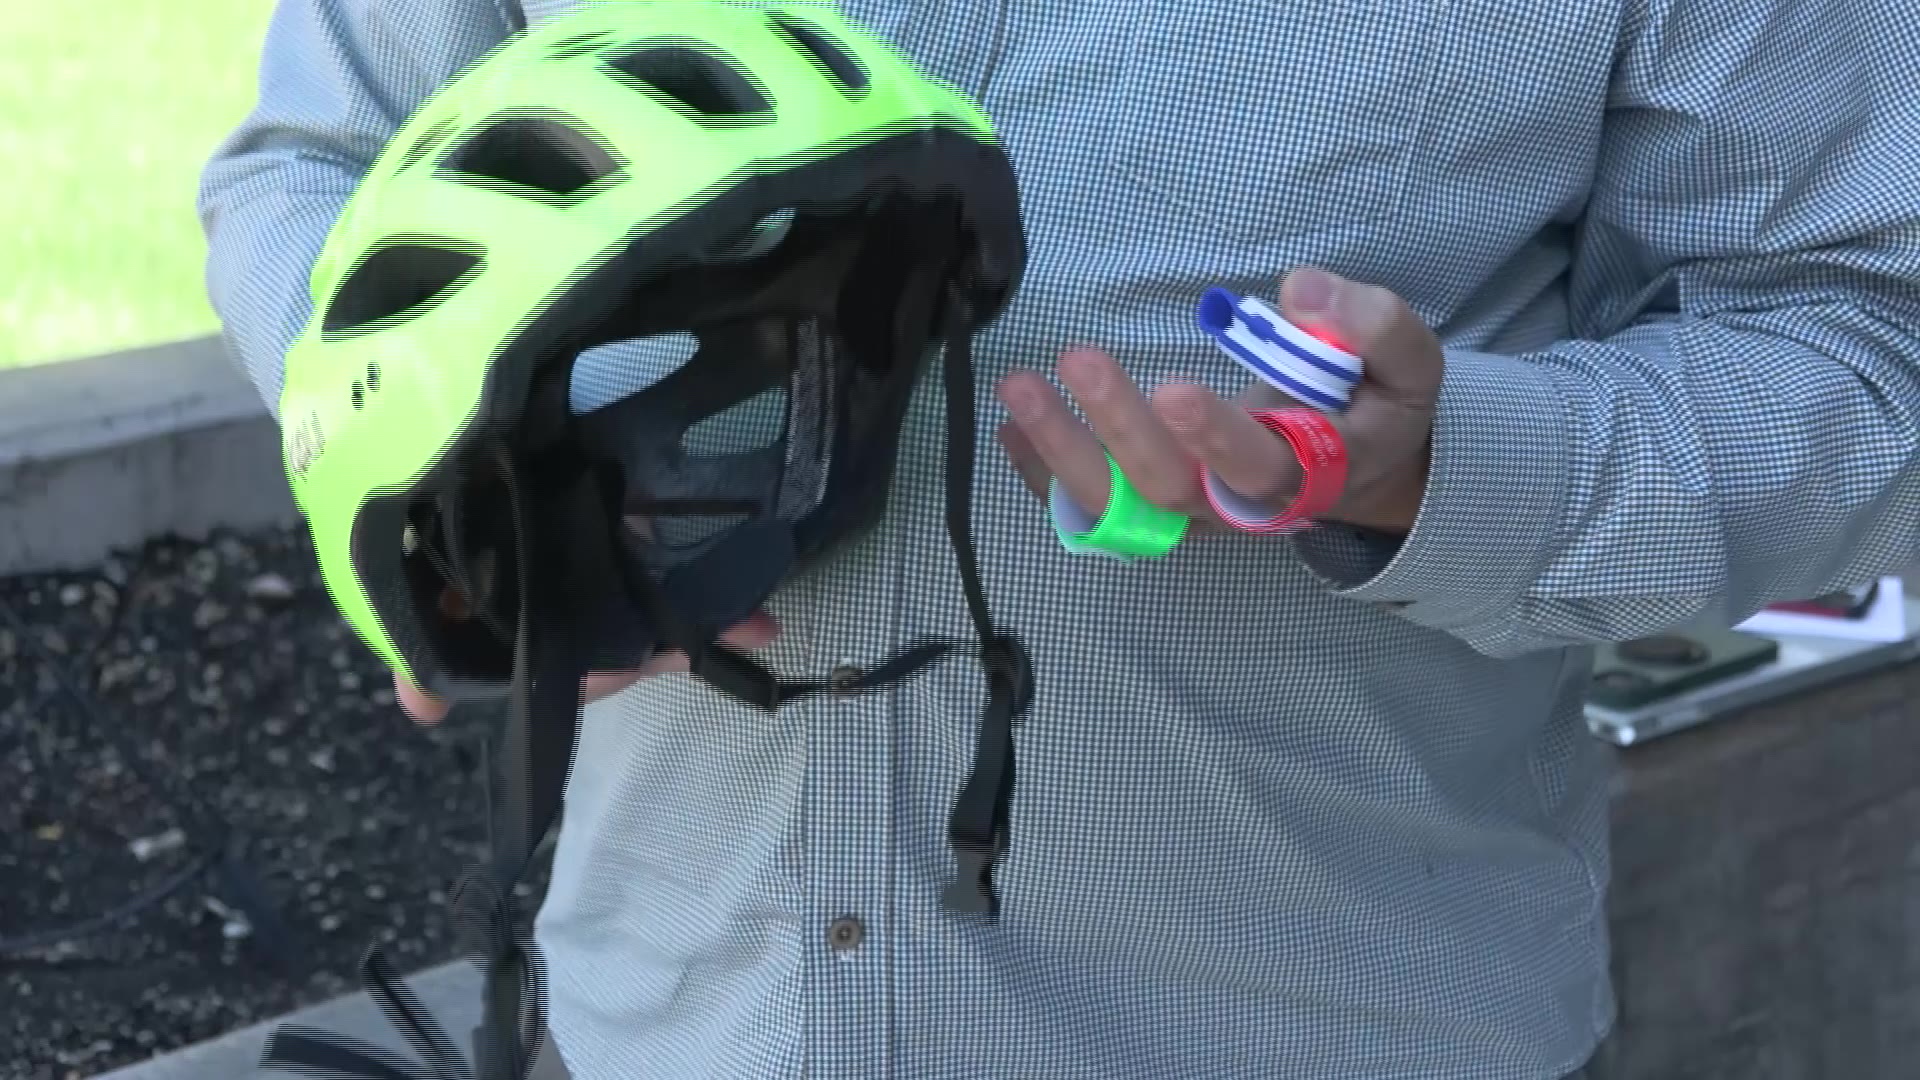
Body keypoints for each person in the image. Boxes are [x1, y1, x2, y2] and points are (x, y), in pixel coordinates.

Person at [198, 1, 1920, 1077]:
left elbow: (1867, 339)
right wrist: (453, 458)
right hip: (666, 1020)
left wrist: (1449, 466)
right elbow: (312, 166)